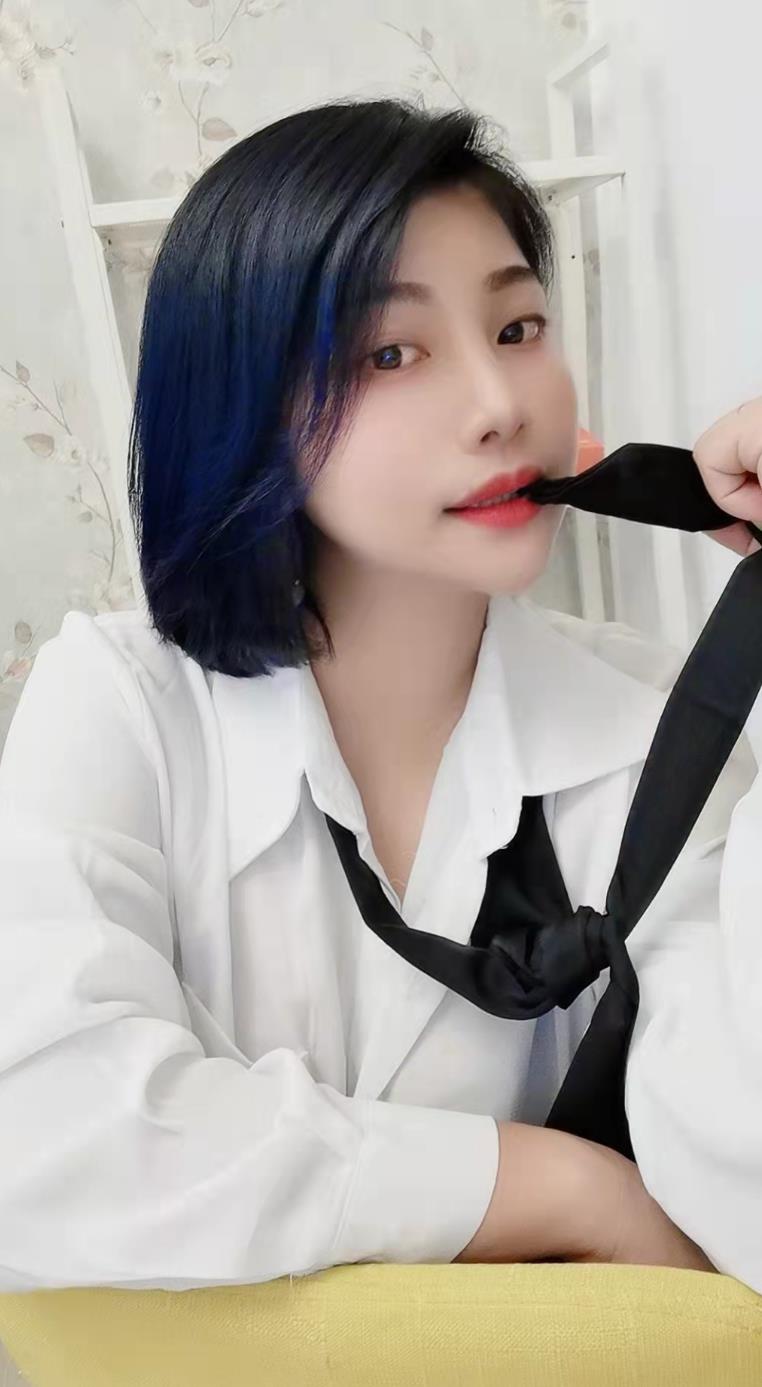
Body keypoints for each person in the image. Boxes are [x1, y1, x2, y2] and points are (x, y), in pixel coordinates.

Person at [0, 95, 760, 1294]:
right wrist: (561, 1188)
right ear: (245, 412)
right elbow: (43, 1140)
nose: (500, 403)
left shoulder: (664, 731)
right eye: (390, 353)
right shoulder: (123, 704)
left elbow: (742, 1176)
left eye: (517, 326)